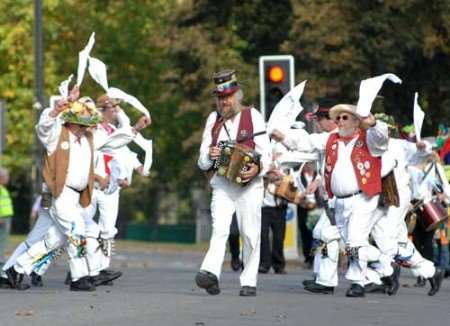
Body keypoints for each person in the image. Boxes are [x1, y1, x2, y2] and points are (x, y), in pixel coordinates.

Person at [1, 87, 150, 291]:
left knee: (57, 237)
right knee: (72, 233)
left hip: (75, 197)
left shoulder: (88, 139)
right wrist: (54, 111)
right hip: (57, 194)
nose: (85, 126)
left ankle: (17, 269)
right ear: (72, 120)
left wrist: (135, 129)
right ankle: (79, 277)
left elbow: (114, 142)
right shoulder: (57, 135)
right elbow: (43, 127)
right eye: (82, 121)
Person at [272, 104, 396, 297]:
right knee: (329, 236)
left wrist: (374, 124)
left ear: (356, 121)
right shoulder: (332, 138)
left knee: (355, 240)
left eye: (344, 118)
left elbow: (382, 140)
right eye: (337, 118)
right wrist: (284, 136)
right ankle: (386, 267)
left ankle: (357, 283)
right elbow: (307, 142)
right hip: (338, 201)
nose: (339, 122)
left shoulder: (368, 138)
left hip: (363, 198)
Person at [195, 70, 271, 297]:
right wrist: (211, 154)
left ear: (238, 95)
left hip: (250, 186)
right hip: (223, 184)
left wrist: (258, 168)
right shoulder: (213, 120)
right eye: (220, 97)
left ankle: (249, 281)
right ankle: (210, 273)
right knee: (219, 229)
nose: (224, 101)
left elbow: (266, 153)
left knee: (249, 233)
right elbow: (202, 162)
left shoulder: (252, 115)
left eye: (228, 96)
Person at [0, 167, 13, 262]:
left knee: (3, 240)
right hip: (2, 218)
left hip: (6, 217)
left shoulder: (3, 189)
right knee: (1, 240)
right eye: (7, 177)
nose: (8, 179)